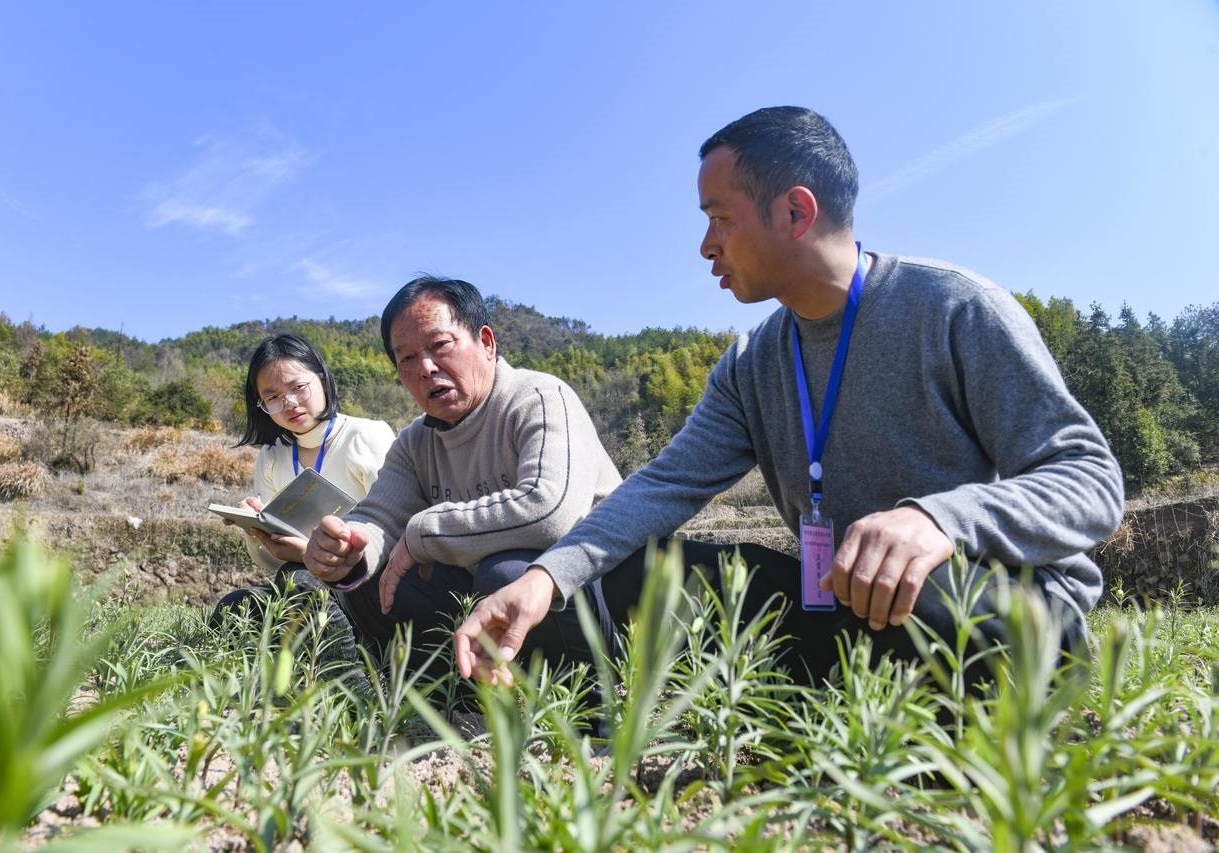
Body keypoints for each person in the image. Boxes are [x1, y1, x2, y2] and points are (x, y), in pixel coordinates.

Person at [453, 106, 1125, 687]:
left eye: (720, 218)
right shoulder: (752, 363)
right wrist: (544, 579)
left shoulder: (952, 308)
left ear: (796, 212)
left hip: (999, 606)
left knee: (910, 588)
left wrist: (937, 521)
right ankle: (821, 695)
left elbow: (1090, 481)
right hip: (846, 607)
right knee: (619, 575)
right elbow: (664, 484)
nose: (706, 245)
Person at [302, 276, 623, 670]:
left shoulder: (540, 398)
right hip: (489, 599)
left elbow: (551, 512)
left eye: (440, 345)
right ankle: (452, 695)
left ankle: (592, 695)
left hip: (600, 593)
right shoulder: (415, 442)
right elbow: (379, 517)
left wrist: (423, 533)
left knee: (507, 572)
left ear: (486, 342)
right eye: (407, 359)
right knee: (373, 576)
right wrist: (347, 546)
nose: (426, 368)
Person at [211, 333, 395, 649]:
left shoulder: (365, 436)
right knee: (233, 608)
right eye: (272, 397)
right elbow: (272, 563)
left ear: (322, 378)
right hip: (302, 583)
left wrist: (312, 553)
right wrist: (255, 530)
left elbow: (395, 530)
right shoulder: (272, 457)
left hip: (369, 586)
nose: (290, 403)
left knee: (299, 583)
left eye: (298, 387)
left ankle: (347, 669)